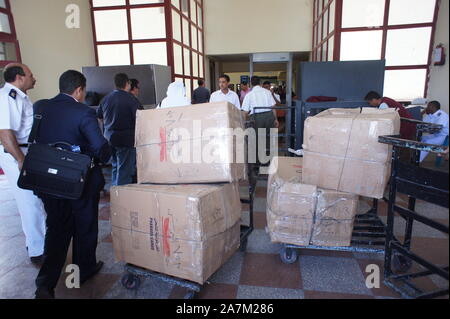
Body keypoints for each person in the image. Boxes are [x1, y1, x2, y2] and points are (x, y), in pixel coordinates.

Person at [34, 70, 111, 299]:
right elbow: (99, 147)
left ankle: (45, 284)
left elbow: (36, 139)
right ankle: (82, 271)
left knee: (56, 229)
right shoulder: (83, 112)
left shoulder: (41, 107)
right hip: (80, 182)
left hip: (49, 179)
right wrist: (105, 153)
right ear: (79, 90)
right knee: (84, 228)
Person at [0, 63, 46, 265]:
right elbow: (5, 132)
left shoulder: (18, 96)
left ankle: (37, 242)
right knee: (30, 203)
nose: (34, 78)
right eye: (30, 74)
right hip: (19, 153)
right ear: (19, 77)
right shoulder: (8, 97)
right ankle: (39, 250)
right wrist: (21, 160)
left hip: (26, 151)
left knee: (34, 201)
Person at [97, 73, 140, 186]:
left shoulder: (106, 98)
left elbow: (99, 117)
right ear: (127, 83)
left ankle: (115, 190)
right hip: (126, 140)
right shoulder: (131, 99)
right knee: (125, 170)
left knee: (116, 166)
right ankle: (121, 197)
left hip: (109, 138)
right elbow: (140, 118)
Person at [242, 76, 279, 163]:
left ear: (251, 83)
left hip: (256, 118)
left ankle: (258, 162)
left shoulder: (249, 95)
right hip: (269, 116)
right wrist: (275, 119)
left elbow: (245, 112)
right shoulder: (267, 92)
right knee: (268, 138)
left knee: (256, 139)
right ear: (260, 83)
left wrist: (243, 122)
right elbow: (273, 107)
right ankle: (269, 160)